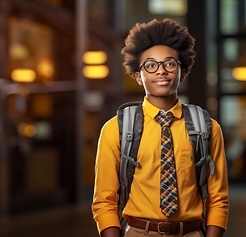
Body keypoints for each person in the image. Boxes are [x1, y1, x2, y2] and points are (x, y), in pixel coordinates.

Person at [92, 18, 229, 237]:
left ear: (181, 71)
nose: (161, 71)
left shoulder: (207, 128)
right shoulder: (116, 128)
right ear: (138, 76)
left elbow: (218, 197)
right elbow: (104, 199)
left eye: (170, 63)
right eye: (151, 65)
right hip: (138, 232)